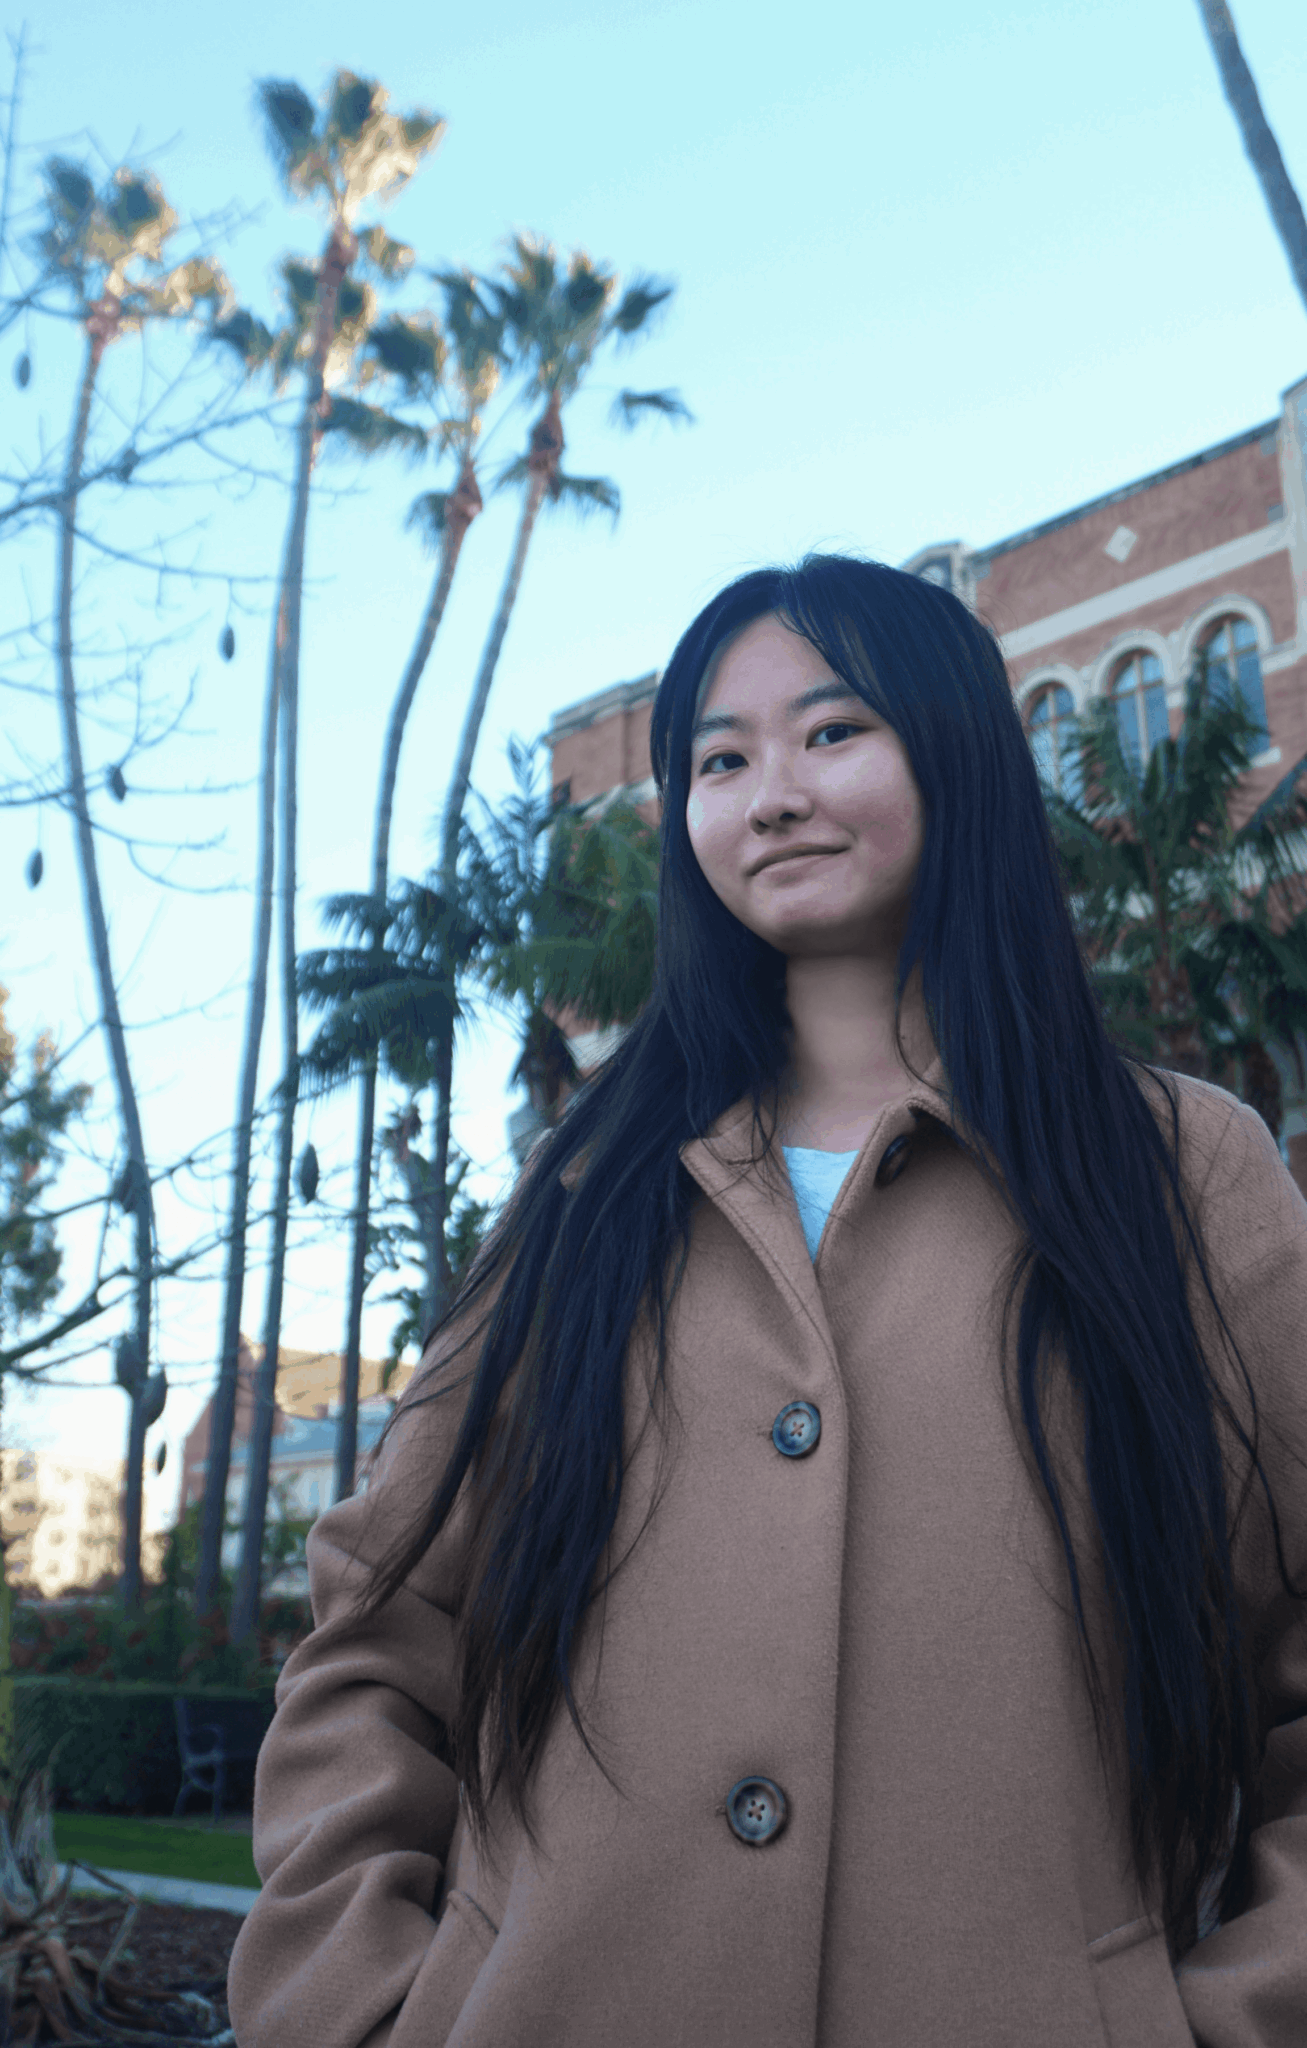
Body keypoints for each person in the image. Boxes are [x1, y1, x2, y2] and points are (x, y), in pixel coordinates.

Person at [228, 554, 1307, 2048]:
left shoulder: (1184, 1172)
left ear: (960, 754)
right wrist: (358, 2002)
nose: (772, 795)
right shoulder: (582, 1187)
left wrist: (1231, 2017)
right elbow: (379, 1625)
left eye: (833, 731)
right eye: (719, 762)